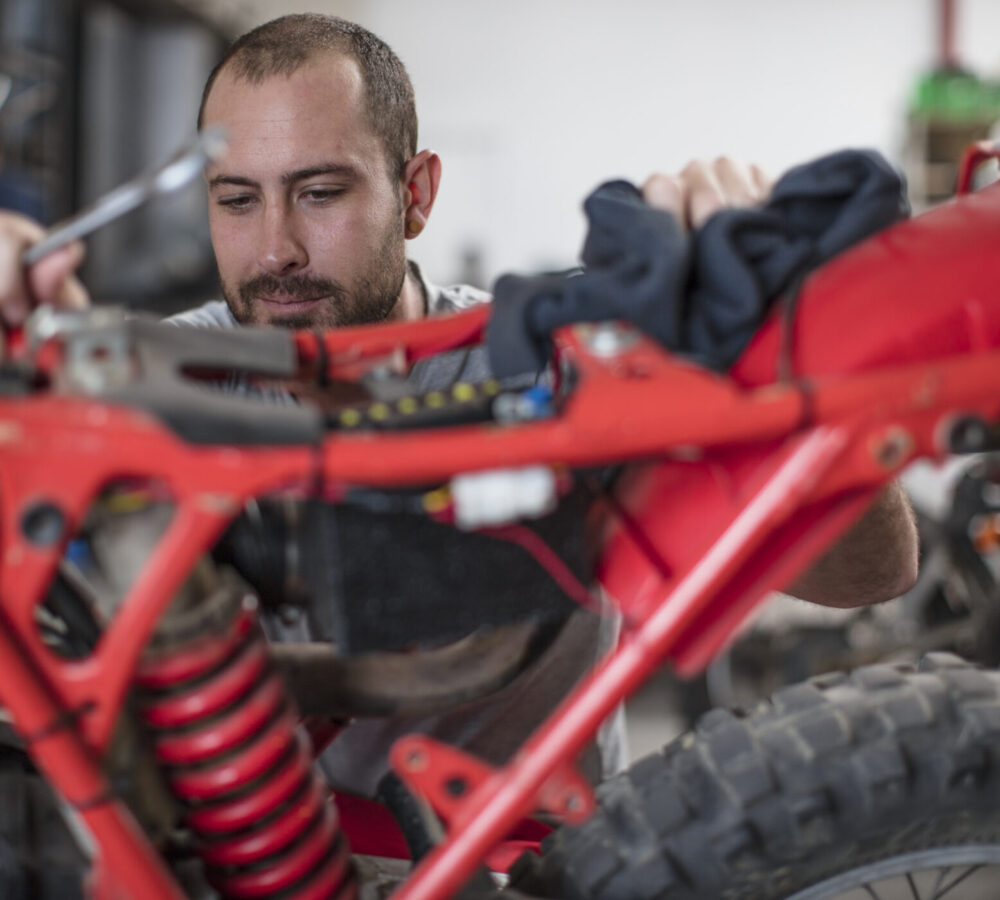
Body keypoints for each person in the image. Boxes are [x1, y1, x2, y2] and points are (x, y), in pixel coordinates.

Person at [0, 14, 917, 795]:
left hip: (515, 870)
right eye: (237, 201)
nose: (274, 249)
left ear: (416, 194)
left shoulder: (546, 372)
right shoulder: (163, 375)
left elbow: (871, 575)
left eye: (319, 193)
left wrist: (774, 353)